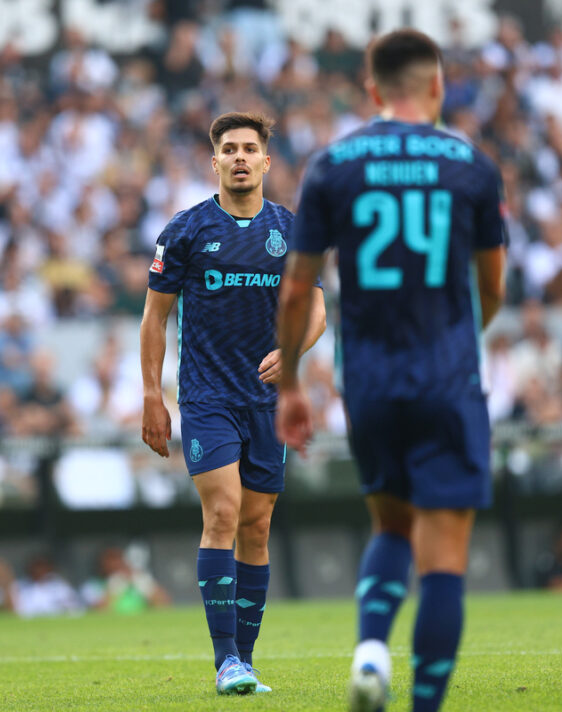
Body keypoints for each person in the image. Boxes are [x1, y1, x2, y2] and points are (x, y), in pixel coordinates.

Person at [276, 29, 507, 712]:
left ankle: (371, 651)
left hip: (369, 382)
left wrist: (290, 383)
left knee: (391, 527)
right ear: (436, 86)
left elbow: (296, 291)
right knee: (444, 557)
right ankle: (423, 704)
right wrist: (464, 339)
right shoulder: (472, 165)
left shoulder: (333, 165)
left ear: (372, 90)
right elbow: (490, 287)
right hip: (447, 376)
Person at [140, 111, 326, 695]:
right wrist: (152, 394)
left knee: (257, 525)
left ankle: (243, 661)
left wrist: (292, 354)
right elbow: (155, 318)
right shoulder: (186, 230)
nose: (240, 157)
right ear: (214, 161)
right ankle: (225, 660)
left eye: (250, 148)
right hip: (206, 398)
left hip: (266, 401)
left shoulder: (290, 229)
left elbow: (316, 308)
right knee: (222, 512)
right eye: (229, 149)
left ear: (267, 162)